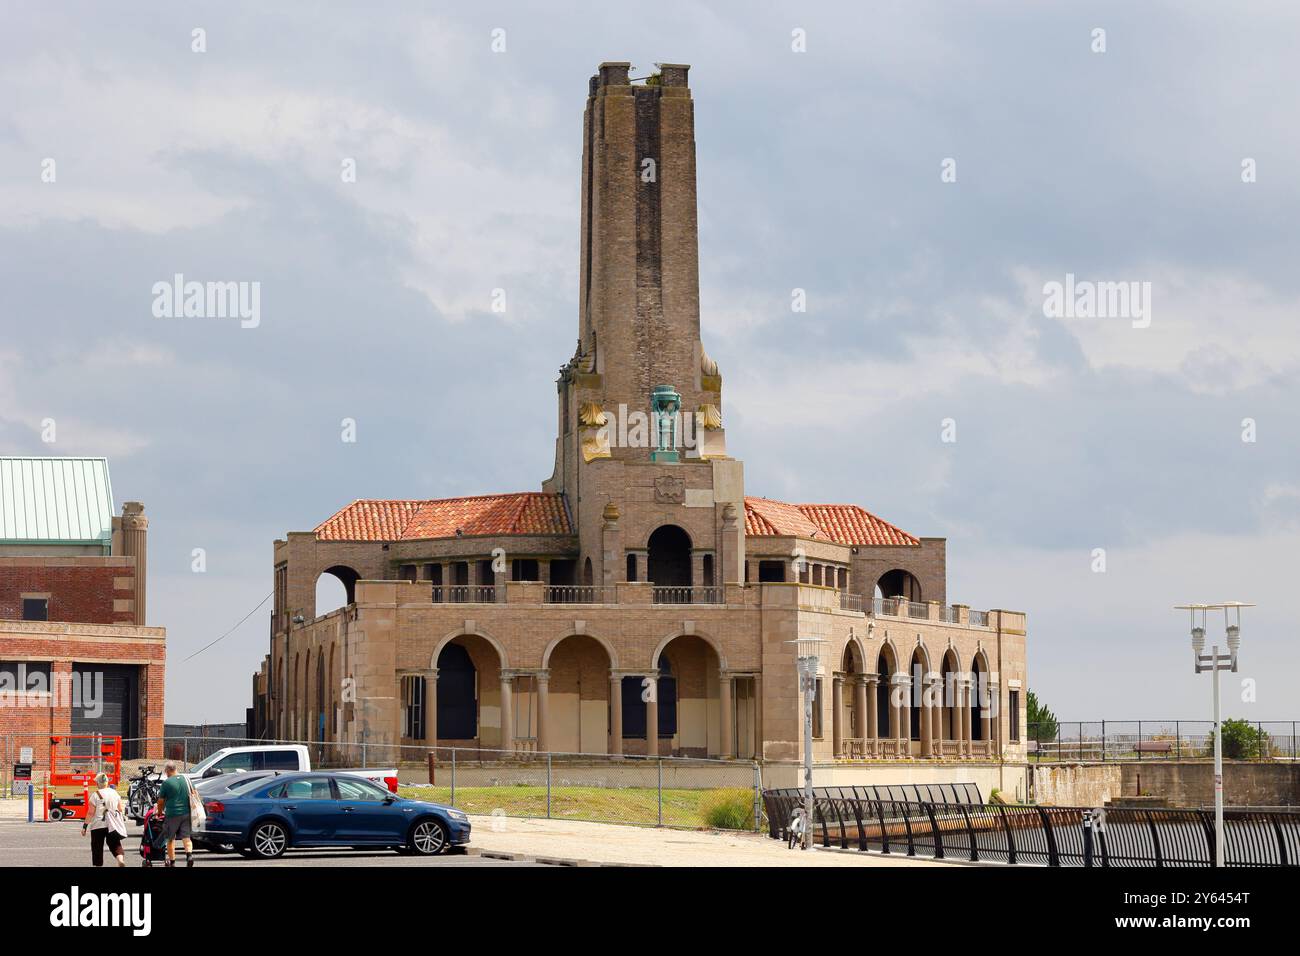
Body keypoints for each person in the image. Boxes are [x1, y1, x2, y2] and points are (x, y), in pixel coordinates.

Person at [83, 772, 127, 867]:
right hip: (112, 824)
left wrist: (85, 826)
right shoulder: (114, 793)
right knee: (115, 844)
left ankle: (98, 865)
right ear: (107, 783)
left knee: (97, 847)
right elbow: (119, 809)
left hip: (98, 825)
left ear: (98, 783)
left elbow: (90, 813)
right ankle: (120, 859)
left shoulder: (95, 795)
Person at [156, 762, 195, 867]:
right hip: (186, 812)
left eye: (166, 772)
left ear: (168, 770)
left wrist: (159, 812)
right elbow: (194, 793)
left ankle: (172, 862)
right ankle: (189, 856)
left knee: (170, 839)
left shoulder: (167, 783)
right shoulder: (186, 779)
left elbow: (160, 801)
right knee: (186, 837)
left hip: (172, 814)